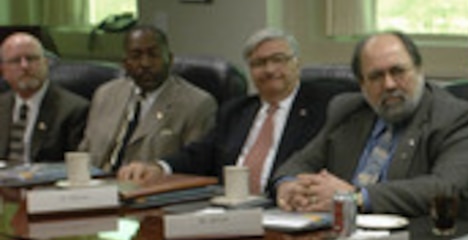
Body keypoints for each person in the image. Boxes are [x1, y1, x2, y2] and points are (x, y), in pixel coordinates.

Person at [273, 31, 468, 221]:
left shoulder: (457, 117)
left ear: (419, 70)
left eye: (398, 72)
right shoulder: (347, 110)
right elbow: (299, 163)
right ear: (362, 85)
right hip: (345, 236)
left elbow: (446, 189)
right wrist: (289, 186)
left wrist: (356, 197)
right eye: (376, 76)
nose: (389, 84)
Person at [117, 28, 340, 196]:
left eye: (278, 60)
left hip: (284, 209)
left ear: (297, 63)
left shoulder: (324, 109)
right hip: (229, 210)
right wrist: (159, 167)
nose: (270, 70)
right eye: (259, 63)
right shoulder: (236, 111)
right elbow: (200, 154)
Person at [79, 25, 216, 172]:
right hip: (95, 186)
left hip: (150, 189)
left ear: (169, 59)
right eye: (136, 56)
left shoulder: (196, 104)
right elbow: (84, 153)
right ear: (125, 63)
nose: (145, 64)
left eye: (153, 55)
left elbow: (193, 165)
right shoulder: (106, 94)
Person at [0, 32, 88, 164]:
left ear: (46, 64)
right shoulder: (2, 104)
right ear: (4, 71)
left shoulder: (73, 109)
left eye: (31, 59)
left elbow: (74, 166)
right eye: (16, 61)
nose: (24, 66)